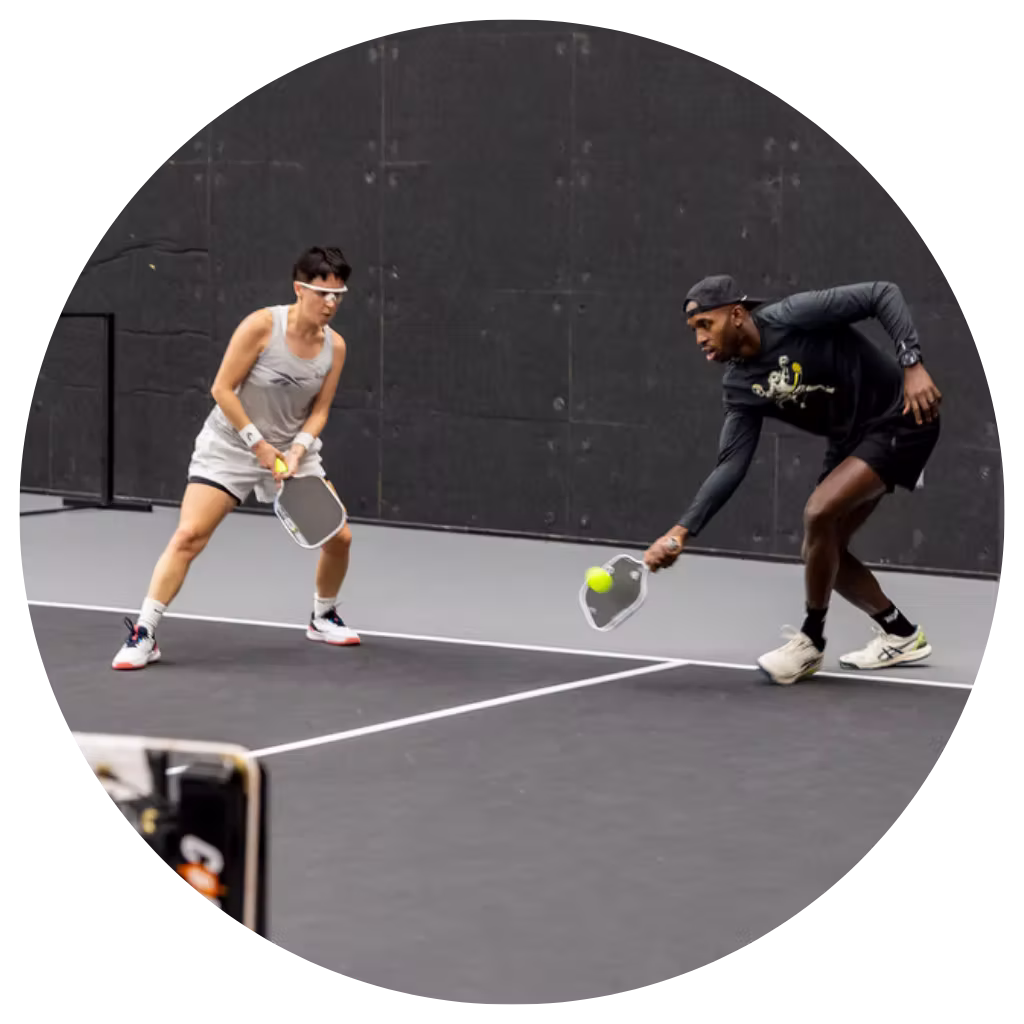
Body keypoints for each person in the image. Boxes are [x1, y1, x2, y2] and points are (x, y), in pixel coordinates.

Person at [643, 275, 943, 685]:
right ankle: (902, 634)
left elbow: (882, 293)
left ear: (736, 314)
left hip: (902, 414)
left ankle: (810, 641)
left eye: (705, 325)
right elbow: (731, 464)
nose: (699, 339)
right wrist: (682, 531)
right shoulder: (739, 386)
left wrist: (912, 365)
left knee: (818, 513)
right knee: (822, 549)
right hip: (850, 438)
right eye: (694, 331)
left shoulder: (793, 316)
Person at [112, 246, 360, 670]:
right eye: (323, 293)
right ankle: (145, 632)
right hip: (231, 446)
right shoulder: (261, 327)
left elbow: (320, 410)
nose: (332, 303)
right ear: (299, 289)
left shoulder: (334, 347)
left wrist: (296, 450)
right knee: (189, 535)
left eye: (340, 294)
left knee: (340, 537)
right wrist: (259, 446)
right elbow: (222, 389)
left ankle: (322, 616)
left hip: (291, 451)